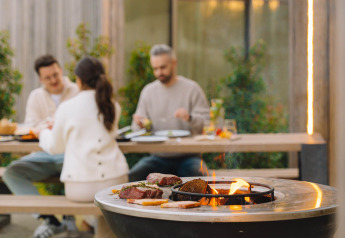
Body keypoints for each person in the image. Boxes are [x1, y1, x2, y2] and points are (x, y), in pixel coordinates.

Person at [38, 56, 129, 236]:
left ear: (78, 81)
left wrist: (42, 132)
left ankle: (88, 224)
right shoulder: (112, 105)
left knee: (100, 204)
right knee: (107, 206)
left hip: (81, 188)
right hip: (117, 181)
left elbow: (56, 147)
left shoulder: (67, 107)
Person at [3, 55, 79, 238]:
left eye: (55, 75)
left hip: (71, 155)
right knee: (11, 173)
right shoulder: (36, 96)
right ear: (40, 79)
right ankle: (51, 220)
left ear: (60, 70)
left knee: (78, 169)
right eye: (47, 77)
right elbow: (29, 128)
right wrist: (45, 127)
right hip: (43, 154)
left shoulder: (77, 91)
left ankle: (70, 218)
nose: (53, 80)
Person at [129, 44, 210, 182]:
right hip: (157, 157)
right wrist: (140, 125)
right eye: (155, 68)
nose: (159, 72)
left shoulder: (192, 89)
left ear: (174, 63)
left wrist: (190, 118)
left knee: (200, 179)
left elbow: (207, 125)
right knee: (132, 176)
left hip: (189, 156)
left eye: (163, 67)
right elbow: (135, 130)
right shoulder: (148, 92)